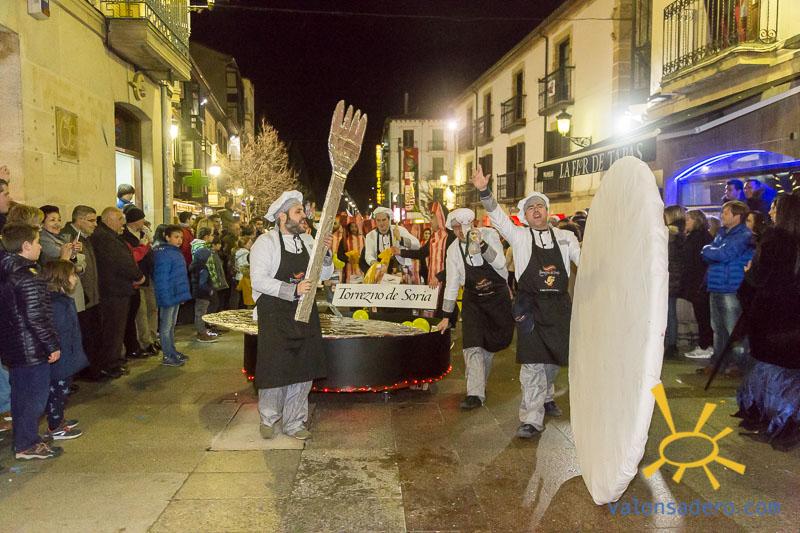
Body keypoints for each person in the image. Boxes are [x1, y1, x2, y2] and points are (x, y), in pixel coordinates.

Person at [473, 165, 580, 439]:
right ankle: (531, 419)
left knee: (555, 361)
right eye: (530, 207)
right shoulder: (519, 237)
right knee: (533, 363)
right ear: (525, 214)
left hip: (559, 307)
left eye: (540, 206)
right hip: (530, 307)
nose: (536, 210)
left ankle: (546, 395)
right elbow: (497, 217)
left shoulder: (567, 238)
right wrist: (484, 191)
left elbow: (587, 263)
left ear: (547, 211)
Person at [249, 191, 334, 440]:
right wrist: (292, 289)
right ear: (282, 216)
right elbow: (259, 280)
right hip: (275, 314)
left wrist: (326, 254)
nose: (303, 216)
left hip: (304, 313)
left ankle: (295, 422)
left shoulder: (308, 241)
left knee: (304, 369)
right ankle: (268, 418)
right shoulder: (265, 243)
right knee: (276, 369)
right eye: (298, 212)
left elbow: (325, 275)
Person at [735, 193, 800, 451]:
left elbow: (759, 278)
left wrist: (750, 272)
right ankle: (789, 419)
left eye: (775, 207)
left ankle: (772, 420)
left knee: (768, 372)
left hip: (771, 318)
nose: (771, 212)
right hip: (794, 320)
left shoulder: (774, 239)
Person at [435, 208, 513, 409]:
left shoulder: (489, 234)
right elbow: (452, 283)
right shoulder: (453, 250)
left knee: (489, 347)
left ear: (471, 224)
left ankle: (478, 386)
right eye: (455, 228)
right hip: (473, 302)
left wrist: (482, 245)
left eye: (461, 227)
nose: (459, 232)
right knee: (472, 345)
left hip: (497, 300)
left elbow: (500, 263)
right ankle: (475, 394)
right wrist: (445, 315)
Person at [0, 224, 63, 459]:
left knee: (20, 396)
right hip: (31, 348)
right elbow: (37, 317)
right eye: (37, 242)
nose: (39, 247)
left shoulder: (7, 271)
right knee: (34, 398)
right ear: (26, 246)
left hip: (14, 345)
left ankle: (25, 437)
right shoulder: (28, 277)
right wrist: (52, 345)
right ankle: (26, 444)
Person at [90, 207, 144, 379]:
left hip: (117, 289)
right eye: (120, 219)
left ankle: (113, 361)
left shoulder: (109, 236)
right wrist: (138, 276)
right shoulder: (105, 238)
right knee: (113, 329)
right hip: (113, 291)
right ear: (109, 219)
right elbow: (120, 262)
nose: (123, 223)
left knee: (117, 329)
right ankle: (109, 364)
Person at [701, 200, 754, 377]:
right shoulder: (722, 234)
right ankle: (718, 362)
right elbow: (712, 254)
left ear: (736, 216)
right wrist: (712, 251)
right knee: (718, 329)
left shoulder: (744, 235)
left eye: (725, 213)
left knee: (734, 329)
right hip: (716, 286)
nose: (721, 216)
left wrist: (711, 251)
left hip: (731, 287)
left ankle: (738, 364)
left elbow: (724, 254)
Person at [41, 260, 88, 440]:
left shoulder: (61, 301)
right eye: (72, 275)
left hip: (68, 355)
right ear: (61, 278)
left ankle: (59, 419)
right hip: (61, 358)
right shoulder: (56, 305)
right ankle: (55, 426)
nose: (75, 278)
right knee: (57, 393)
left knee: (62, 391)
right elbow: (59, 332)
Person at [60, 206, 102, 379]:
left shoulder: (86, 238)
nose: (95, 225)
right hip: (78, 296)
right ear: (80, 220)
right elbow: (72, 267)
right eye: (91, 221)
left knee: (91, 335)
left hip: (89, 295)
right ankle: (85, 371)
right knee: (82, 336)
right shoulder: (69, 237)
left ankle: (92, 368)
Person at [152, 225, 192, 367]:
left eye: (181, 237)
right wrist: (164, 297)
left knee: (171, 326)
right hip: (168, 295)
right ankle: (167, 355)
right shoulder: (163, 253)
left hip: (175, 294)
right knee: (166, 326)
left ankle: (172, 351)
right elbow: (161, 278)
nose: (179, 240)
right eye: (176, 237)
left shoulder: (174, 252)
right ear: (167, 237)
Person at [681, 210, 714, 360]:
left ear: (697, 221)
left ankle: (705, 345)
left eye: (688, 219)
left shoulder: (699, 238)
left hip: (699, 283)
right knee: (702, 316)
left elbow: (695, 263)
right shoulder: (697, 237)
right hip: (697, 283)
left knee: (703, 316)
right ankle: (705, 344)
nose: (685, 222)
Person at [121, 207, 153, 359]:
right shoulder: (124, 236)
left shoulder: (143, 232)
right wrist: (144, 246)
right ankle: (139, 343)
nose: (144, 221)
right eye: (141, 218)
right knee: (139, 314)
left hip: (145, 276)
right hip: (135, 279)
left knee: (150, 310)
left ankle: (149, 340)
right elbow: (134, 256)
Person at [190, 228, 226, 342]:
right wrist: (209, 290)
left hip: (202, 290)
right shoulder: (203, 268)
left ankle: (204, 330)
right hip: (203, 292)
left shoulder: (199, 263)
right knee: (201, 312)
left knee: (202, 310)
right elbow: (202, 282)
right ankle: (201, 333)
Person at [364, 206, 420, 276]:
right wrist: (377, 265)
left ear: (389, 219)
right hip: (380, 271)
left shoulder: (399, 230)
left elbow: (417, 245)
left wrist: (400, 239)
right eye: (378, 220)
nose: (381, 223)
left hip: (400, 269)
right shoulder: (370, 236)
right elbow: (369, 255)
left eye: (384, 220)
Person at [664, 205, 686, 360]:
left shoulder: (671, 233)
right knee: (670, 311)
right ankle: (671, 343)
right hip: (675, 277)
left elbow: (669, 258)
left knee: (669, 312)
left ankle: (671, 344)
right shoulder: (682, 233)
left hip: (670, 277)